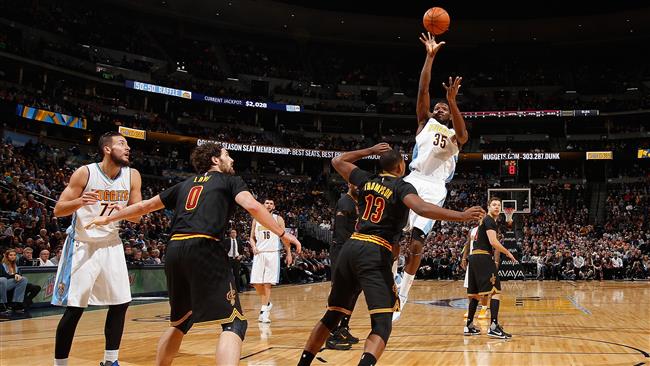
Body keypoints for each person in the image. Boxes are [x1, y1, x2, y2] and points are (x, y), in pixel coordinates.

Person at [85, 142, 301, 366]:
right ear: (215, 160)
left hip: (175, 250)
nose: (232, 160)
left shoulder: (184, 184)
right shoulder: (230, 180)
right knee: (235, 322)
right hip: (204, 246)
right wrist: (283, 233)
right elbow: (253, 207)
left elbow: (144, 206)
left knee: (179, 322)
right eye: (227, 155)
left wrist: (108, 218)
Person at [297, 143, 484, 366]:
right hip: (374, 250)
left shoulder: (366, 179)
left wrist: (369, 151)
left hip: (351, 247)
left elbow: (338, 161)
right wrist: (461, 216)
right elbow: (423, 209)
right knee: (382, 323)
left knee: (332, 315)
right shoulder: (401, 186)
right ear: (400, 166)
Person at [393, 32, 469, 322]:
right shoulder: (424, 123)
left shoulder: (453, 134)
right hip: (413, 179)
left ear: (450, 114)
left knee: (416, 243)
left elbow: (463, 135)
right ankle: (391, 280)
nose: (439, 108)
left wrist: (453, 100)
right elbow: (423, 90)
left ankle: (405, 291)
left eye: (444, 108)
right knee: (394, 234)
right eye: (437, 106)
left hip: (436, 187)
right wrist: (430, 56)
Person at [51, 131, 143, 366]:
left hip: (111, 244)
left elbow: (137, 218)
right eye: (122, 144)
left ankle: (110, 360)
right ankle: (60, 363)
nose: (128, 148)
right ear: (107, 149)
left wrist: (121, 211)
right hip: (83, 244)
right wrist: (80, 201)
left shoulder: (132, 176)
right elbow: (59, 209)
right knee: (75, 308)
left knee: (121, 302)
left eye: (128, 145)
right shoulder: (85, 172)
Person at [464, 197, 518, 339]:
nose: (497, 207)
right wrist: (508, 252)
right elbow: (493, 242)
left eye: (499, 205)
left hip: (473, 258)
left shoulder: (484, 222)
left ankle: (469, 325)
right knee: (495, 291)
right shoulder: (489, 220)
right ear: (488, 206)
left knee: (475, 294)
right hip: (483, 257)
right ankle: (493, 327)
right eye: (494, 205)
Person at [326, 183, 360, 350]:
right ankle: (330, 333)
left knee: (354, 290)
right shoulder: (345, 202)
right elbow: (340, 231)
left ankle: (343, 327)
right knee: (340, 292)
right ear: (349, 184)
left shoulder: (356, 202)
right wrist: (353, 247)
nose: (359, 186)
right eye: (356, 184)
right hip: (341, 249)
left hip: (351, 249)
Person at [249, 199, 289, 323]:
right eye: (267, 203)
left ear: (274, 206)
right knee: (255, 283)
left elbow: (285, 237)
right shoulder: (256, 218)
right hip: (259, 253)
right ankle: (267, 303)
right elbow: (251, 237)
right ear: (263, 205)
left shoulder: (278, 219)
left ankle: (264, 312)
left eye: (271, 203)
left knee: (267, 283)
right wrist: (254, 247)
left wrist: (289, 253)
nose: (269, 205)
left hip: (273, 253)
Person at [461, 226, 489, 320]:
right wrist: (464, 257)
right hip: (472, 259)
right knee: (469, 285)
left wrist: (496, 261)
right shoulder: (472, 230)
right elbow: (468, 244)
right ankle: (471, 308)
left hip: (484, 259)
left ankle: (484, 308)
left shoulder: (488, 228)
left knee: (484, 286)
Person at [1, 248, 29, 314]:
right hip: (2, 283)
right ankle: (2, 304)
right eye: (11, 255)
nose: (13, 256)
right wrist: (14, 275)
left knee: (23, 279)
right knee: (3, 280)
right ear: (7, 256)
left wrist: (18, 276)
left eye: (14, 255)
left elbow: (16, 275)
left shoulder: (15, 265)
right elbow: (3, 275)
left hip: (8, 283)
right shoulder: (2, 264)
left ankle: (16, 303)